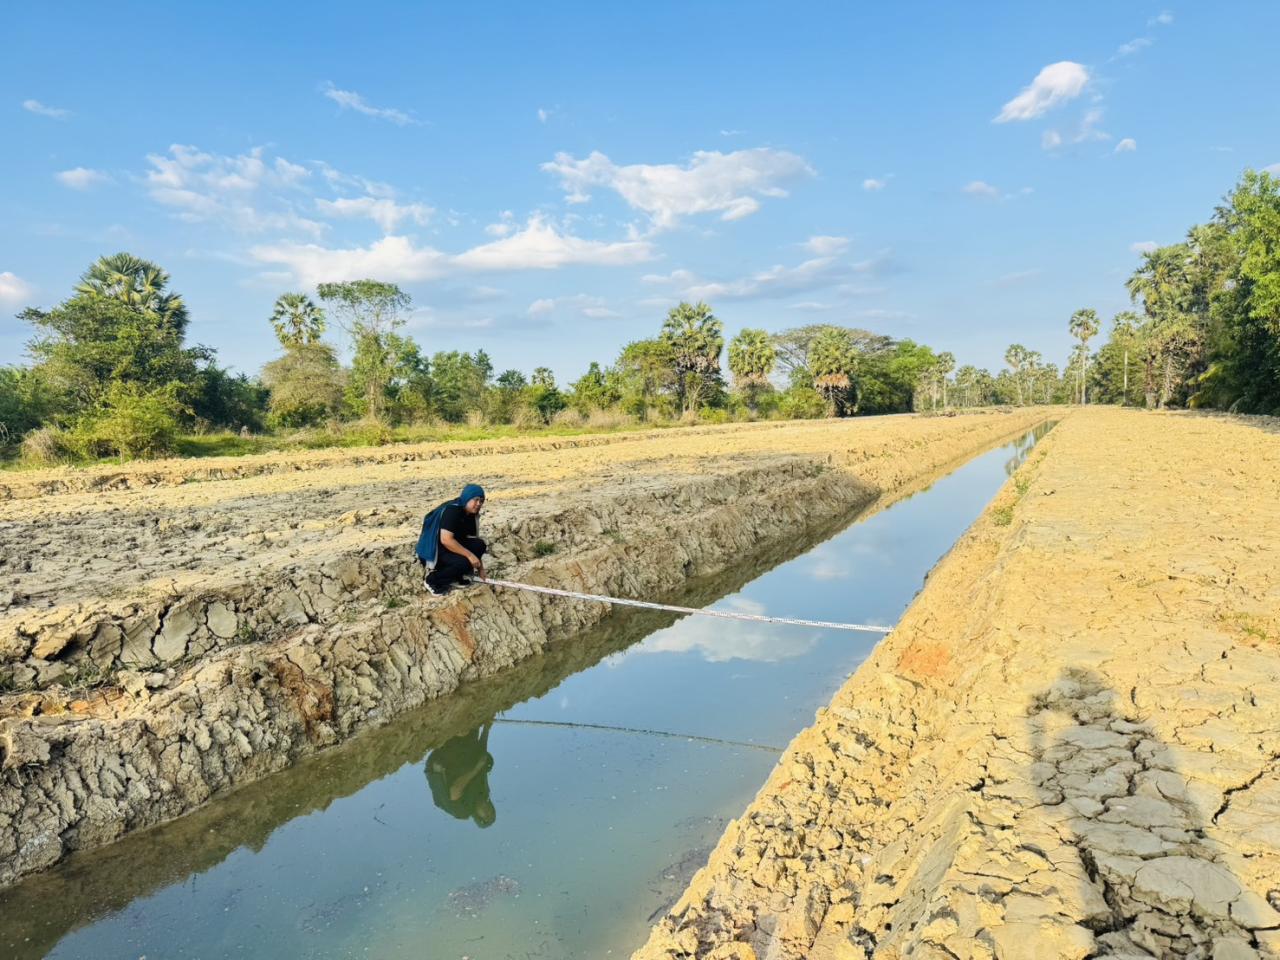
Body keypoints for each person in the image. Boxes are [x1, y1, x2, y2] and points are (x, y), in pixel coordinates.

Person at [416, 483, 487, 596]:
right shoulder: (453, 511)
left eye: (481, 501)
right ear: (467, 498)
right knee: (463, 562)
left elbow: (472, 540)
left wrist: (481, 569)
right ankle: (433, 580)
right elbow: (446, 540)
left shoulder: (470, 514)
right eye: (476, 500)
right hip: (435, 550)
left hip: (449, 546)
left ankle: (456, 577)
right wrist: (469, 556)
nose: (479, 504)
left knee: (479, 545)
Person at [425, 722, 497, 828]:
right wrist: (486, 729)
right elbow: (482, 758)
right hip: (461, 760)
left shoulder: (463, 811)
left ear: (478, 816)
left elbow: (455, 790)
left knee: (457, 732)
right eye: (491, 810)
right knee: (487, 763)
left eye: (486, 814)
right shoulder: (484, 792)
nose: (488, 809)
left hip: (441, 767)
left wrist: (476, 768)